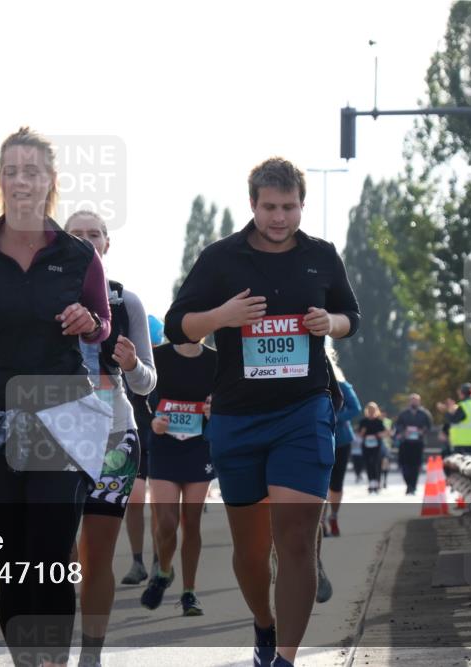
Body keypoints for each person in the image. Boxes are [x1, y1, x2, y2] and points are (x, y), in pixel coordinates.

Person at [164, 157, 361, 667]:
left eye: (289, 207)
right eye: (270, 207)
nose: (279, 218)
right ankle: (264, 626)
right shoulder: (220, 259)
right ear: (252, 205)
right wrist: (221, 317)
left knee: (295, 539)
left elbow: (351, 316)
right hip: (239, 417)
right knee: (252, 553)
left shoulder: (321, 257)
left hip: (305, 411)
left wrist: (330, 323)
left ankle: (286, 660)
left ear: (302, 204)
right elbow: (176, 326)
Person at [0, 127, 111, 667]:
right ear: (0, 181)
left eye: (31, 171)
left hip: (61, 415)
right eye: (11, 171)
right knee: (12, 560)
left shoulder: (80, 256)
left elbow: (102, 325)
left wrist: (90, 323)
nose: (21, 181)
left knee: (51, 556)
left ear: (50, 181)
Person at [64, 211, 156, 667]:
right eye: (74, 235)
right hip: (51, 441)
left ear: (106, 244)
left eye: (93, 234)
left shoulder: (126, 301)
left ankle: (91, 656)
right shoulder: (38, 295)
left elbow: (146, 385)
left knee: (96, 556)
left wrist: (133, 364)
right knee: (54, 555)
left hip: (114, 439)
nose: (84, 241)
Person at [140, 337, 218, 617]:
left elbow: (229, 397)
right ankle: (163, 570)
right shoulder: (157, 356)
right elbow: (139, 395)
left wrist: (214, 410)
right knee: (166, 523)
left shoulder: (214, 360)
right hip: (164, 446)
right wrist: (152, 421)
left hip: (199, 447)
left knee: (191, 523)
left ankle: (189, 593)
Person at [121, 314, 165, 586]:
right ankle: (137, 561)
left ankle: (160, 560)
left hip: (163, 441)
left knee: (162, 506)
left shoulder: (167, 367)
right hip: (133, 436)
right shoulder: (125, 363)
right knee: (134, 500)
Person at [322, 348, 361, 536]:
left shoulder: (342, 384)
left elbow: (356, 408)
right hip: (317, 437)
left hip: (341, 439)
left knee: (336, 482)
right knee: (319, 482)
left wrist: (335, 417)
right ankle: (319, 522)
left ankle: (333, 516)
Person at [393, 393, 432, 495]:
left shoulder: (424, 413)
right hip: (405, 443)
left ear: (419, 401)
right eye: (412, 400)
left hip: (418, 443)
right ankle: (408, 484)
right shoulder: (403, 413)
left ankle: (413, 486)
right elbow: (397, 425)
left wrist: (422, 431)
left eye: (416, 400)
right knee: (404, 465)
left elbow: (429, 426)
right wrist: (403, 432)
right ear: (409, 401)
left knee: (415, 466)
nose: (414, 402)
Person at [441, 383, 471, 456]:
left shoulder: (464, 406)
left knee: (460, 465)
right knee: (470, 464)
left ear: (462, 393)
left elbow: (454, 419)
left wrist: (446, 411)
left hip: (463, 442)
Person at [356, 402, 389, 494]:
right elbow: (359, 434)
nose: (371, 412)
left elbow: (386, 432)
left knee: (376, 463)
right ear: (367, 411)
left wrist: (379, 434)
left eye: (373, 410)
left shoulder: (379, 421)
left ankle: (377, 483)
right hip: (366, 446)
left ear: (376, 411)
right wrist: (362, 432)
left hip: (376, 446)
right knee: (368, 464)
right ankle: (371, 483)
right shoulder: (363, 421)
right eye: (369, 410)